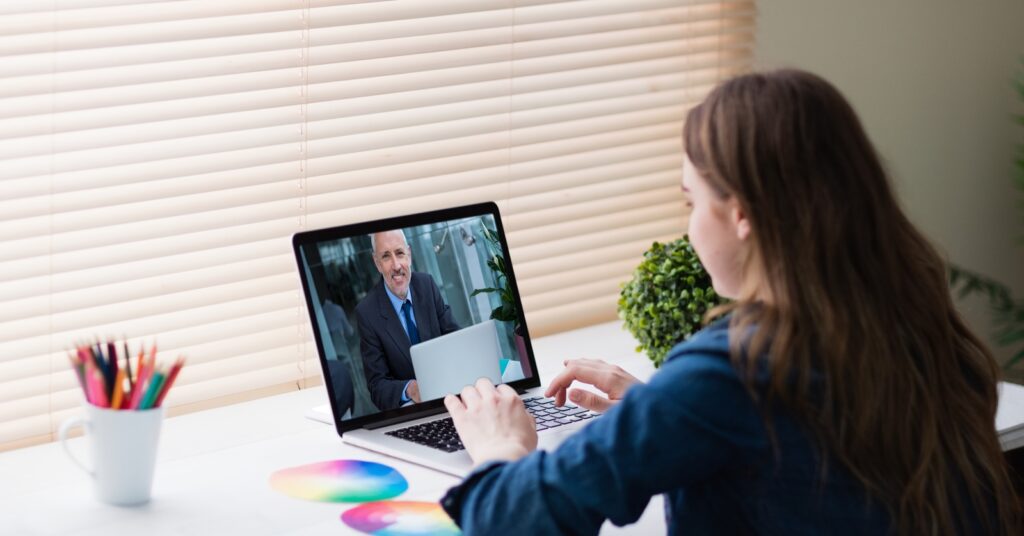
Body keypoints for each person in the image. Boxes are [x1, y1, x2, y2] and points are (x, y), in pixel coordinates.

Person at [439, 70, 1021, 535]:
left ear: (741, 215)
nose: (690, 227)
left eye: (691, 201)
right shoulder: (913, 323)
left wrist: (500, 446)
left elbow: (512, 518)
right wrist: (662, 411)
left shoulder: (734, 369)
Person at [355, 229, 459, 410]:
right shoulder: (367, 313)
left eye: (400, 253)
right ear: (377, 263)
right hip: (414, 410)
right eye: (386, 257)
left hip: (449, 396)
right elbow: (377, 387)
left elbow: (455, 339)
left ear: (409, 255)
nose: (396, 265)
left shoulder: (426, 285)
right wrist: (410, 389)